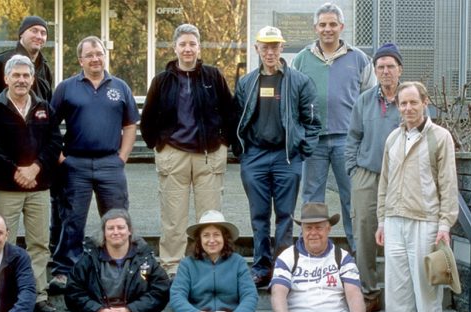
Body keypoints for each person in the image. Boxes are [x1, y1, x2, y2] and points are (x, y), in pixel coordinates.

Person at [376, 81, 458, 312]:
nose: (408, 108)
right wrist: (382, 221)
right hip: (395, 223)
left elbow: (448, 185)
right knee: (397, 296)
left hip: (425, 222)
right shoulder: (393, 139)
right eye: (402, 103)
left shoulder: (440, 138)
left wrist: (444, 225)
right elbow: (384, 183)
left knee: (427, 294)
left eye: (413, 102)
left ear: (424, 102)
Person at [140, 23, 235, 277]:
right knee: (173, 219)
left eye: (192, 44)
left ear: (199, 47)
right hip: (174, 154)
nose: (188, 49)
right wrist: (158, 146)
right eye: (183, 44)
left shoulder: (213, 77)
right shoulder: (162, 81)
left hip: (209, 155)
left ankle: (209, 265)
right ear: (175, 48)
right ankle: (172, 267)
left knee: (210, 217)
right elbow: (148, 118)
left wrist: (224, 142)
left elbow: (229, 111)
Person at [49, 36, 140, 287]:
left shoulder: (120, 87)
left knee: (116, 218)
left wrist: (122, 156)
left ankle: (118, 265)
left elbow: (130, 124)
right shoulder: (67, 87)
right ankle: (64, 271)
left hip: (110, 163)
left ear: (104, 55)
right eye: (89, 55)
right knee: (71, 219)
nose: (95, 58)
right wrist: (60, 158)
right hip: (74, 163)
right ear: (81, 60)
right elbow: (50, 125)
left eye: (98, 53)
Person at [234, 26, 321, 287]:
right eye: (265, 46)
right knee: (259, 216)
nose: (270, 51)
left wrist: (301, 150)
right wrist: (241, 152)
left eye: (275, 46)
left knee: (285, 215)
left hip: (286, 158)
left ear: (282, 48)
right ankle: (261, 268)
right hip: (255, 157)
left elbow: (313, 121)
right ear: (257, 49)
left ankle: (282, 267)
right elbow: (236, 119)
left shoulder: (299, 81)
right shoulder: (246, 82)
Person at [0, 54, 62, 312]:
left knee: (39, 244)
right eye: (16, 75)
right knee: (5, 242)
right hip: (7, 188)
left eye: (26, 75)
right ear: (6, 78)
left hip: (38, 187)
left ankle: (39, 296)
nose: (21, 80)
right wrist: (17, 172)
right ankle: (7, 296)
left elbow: (54, 143)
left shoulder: (44, 107)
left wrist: (35, 168)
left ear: (33, 79)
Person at [293, 2, 376, 252]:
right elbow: (293, 100)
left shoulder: (359, 59)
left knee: (353, 199)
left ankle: (358, 253)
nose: (327, 29)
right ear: (315, 28)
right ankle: (311, 252)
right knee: (312, 200)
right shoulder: (301, 59)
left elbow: (369, 101)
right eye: (323, 25)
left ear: (342, 26)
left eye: (332, 24)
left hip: (348, 142)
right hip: (314, 141)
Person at [345, 43, 403, 312]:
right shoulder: (364, 100)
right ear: (375, 70)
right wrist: (353, 171)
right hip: (366, 176)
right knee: (364, 235)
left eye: (391, 66)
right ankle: (369, 292)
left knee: (399, 236)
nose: (386, 71)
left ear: (400, 69)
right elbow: (353, 136)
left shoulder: (409, 99)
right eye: (380, 67)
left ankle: (398, 295)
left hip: (400, 177)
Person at [0, 15, 52, 124]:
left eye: (43, 33)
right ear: (22, 33)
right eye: (34, 31)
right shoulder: (3, 61)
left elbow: (47, 104)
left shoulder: (45, 69)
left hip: (36, 136)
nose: (39, 36)